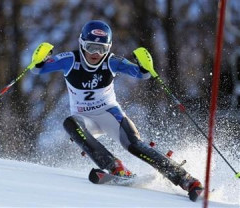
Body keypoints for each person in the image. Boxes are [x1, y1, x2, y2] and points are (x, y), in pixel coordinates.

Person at [33, 20, 203, 202]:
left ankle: (186, 180)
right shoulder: (70, 60)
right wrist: (39, 59)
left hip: (109, 114)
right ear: (82, 44)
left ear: (108, 48)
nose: (95, 54)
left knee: (134, 145)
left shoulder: (111, 61)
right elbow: (38, 69)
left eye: (101, 48)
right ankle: (115, 167)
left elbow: (141, 74)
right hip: (84, 118)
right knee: (70, 123)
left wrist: (144, 66)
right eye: (90, 47)